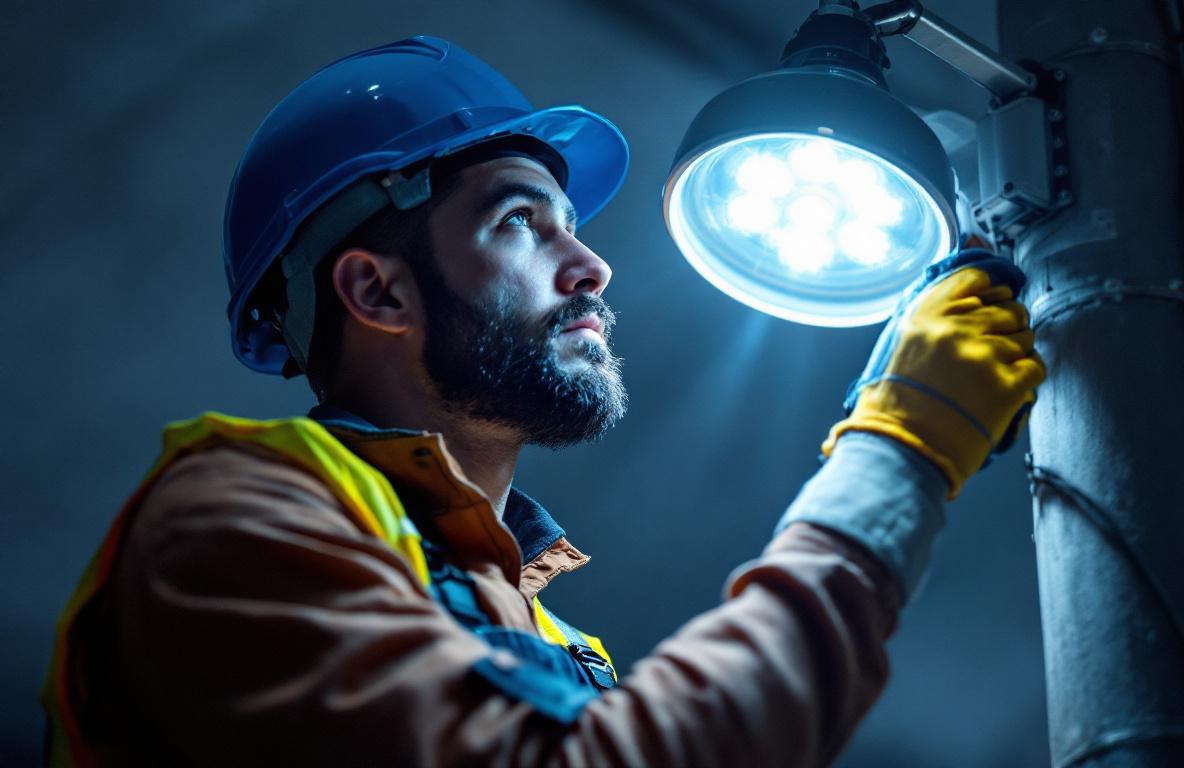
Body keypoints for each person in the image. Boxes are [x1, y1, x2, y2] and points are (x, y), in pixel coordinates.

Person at [42, 36, 1044, 766]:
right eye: (522, 221)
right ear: (376, 292)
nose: (592, 266)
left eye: (571, 223)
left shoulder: (561, 646)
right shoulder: (235, 522)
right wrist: (898, 450)